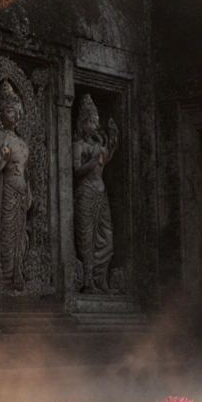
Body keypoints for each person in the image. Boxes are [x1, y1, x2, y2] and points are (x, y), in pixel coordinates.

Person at [0, 81, 31, 290]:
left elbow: (26, 171)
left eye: (15, 112)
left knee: (19, 235)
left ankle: (17, 274)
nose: (12, 116)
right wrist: (2, 159)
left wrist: (28, 192)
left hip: (21, 192)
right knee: (5, 233)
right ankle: (4, 276)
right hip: (6, 192)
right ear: (0, 114)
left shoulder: (21, 142)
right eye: (8, 112)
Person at [73, 94, 119, 293]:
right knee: (86, 238)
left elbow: (104, 161)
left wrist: (112, 141)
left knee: (106, 239)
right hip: (86, 193)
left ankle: (102, 279)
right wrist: (93, 157)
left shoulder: (97, 147)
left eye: (96, 121)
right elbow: (75, 171)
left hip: (101, 194)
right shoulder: (78, 146)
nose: (95, 124)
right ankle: (87, 281)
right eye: (91, 121)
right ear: (82, 124)